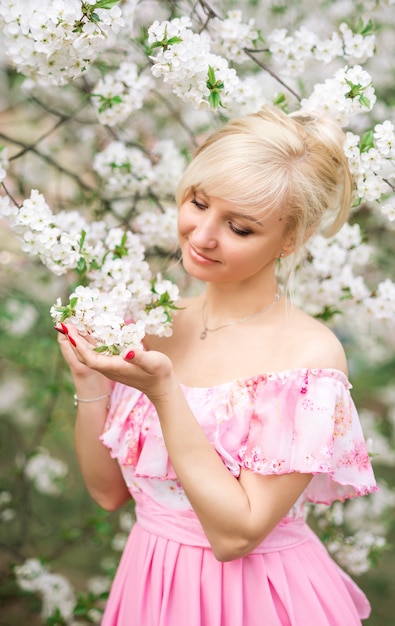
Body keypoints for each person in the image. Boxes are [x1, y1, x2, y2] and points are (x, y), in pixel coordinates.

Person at [57, 105, 378, 626]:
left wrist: (164, 393)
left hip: (257, 599)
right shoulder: (152, 320)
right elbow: (108, 493)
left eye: (240, 227)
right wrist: (88, 381)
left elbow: (236, 535)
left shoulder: (308, 361)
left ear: (290, 239)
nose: (202, 235)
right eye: (198, 202)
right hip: (151, 584)